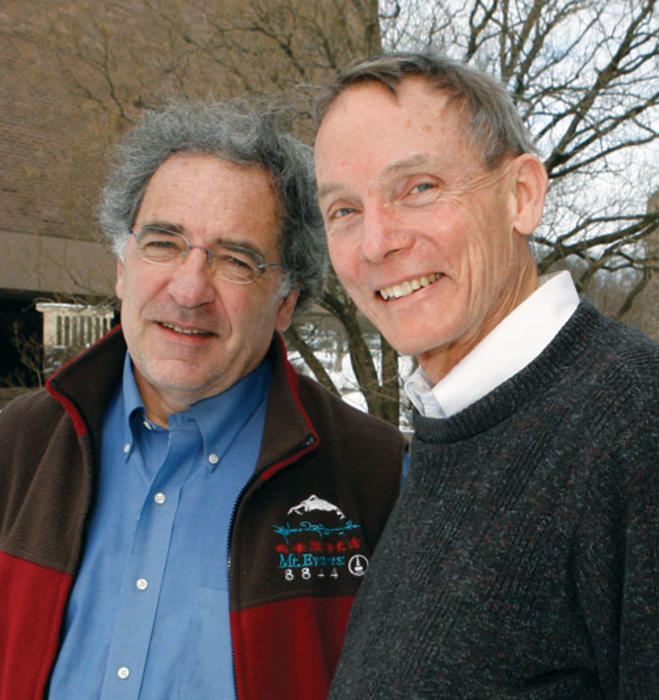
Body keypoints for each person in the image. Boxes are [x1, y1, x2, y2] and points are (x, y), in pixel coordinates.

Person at [0, 100, 406, 700]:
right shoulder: (20, 445)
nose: (189, 289)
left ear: (287, 301)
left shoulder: (377, 481)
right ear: (121, 266)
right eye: (164, 244)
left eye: (236, 260)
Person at [314, 52, 659, 698]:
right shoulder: (451, 433)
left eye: (417, 187)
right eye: (343, 211)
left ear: (520, 195)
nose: (375, 243)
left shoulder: (634, 424)